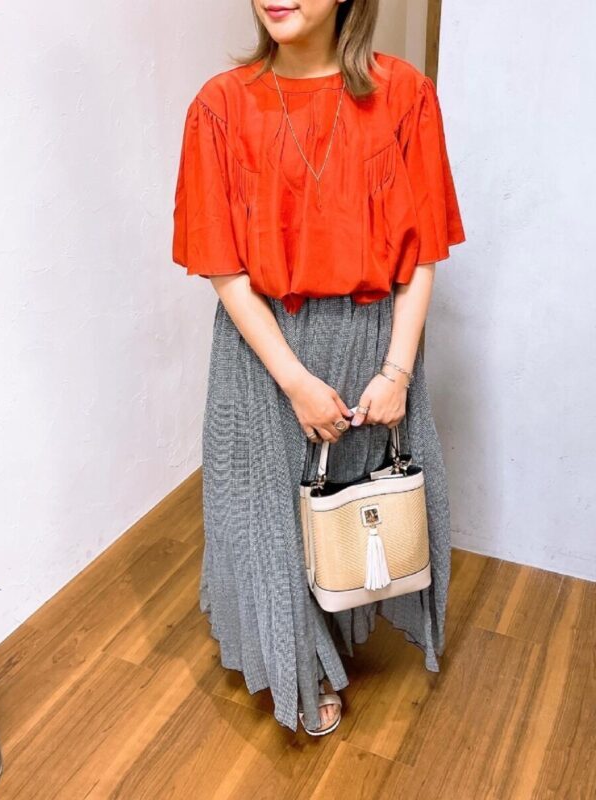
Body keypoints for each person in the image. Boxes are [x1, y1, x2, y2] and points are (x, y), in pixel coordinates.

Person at [171, 0, 465, 736]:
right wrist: (295, 380)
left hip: (372, 343)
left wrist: (396, 372)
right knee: (260, 514)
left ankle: (332, 631)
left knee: (346, 503)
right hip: (262, 349)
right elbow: (224, 268)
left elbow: (423, 253)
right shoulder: (219, 106)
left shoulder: (405, 95)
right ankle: (298, 666)